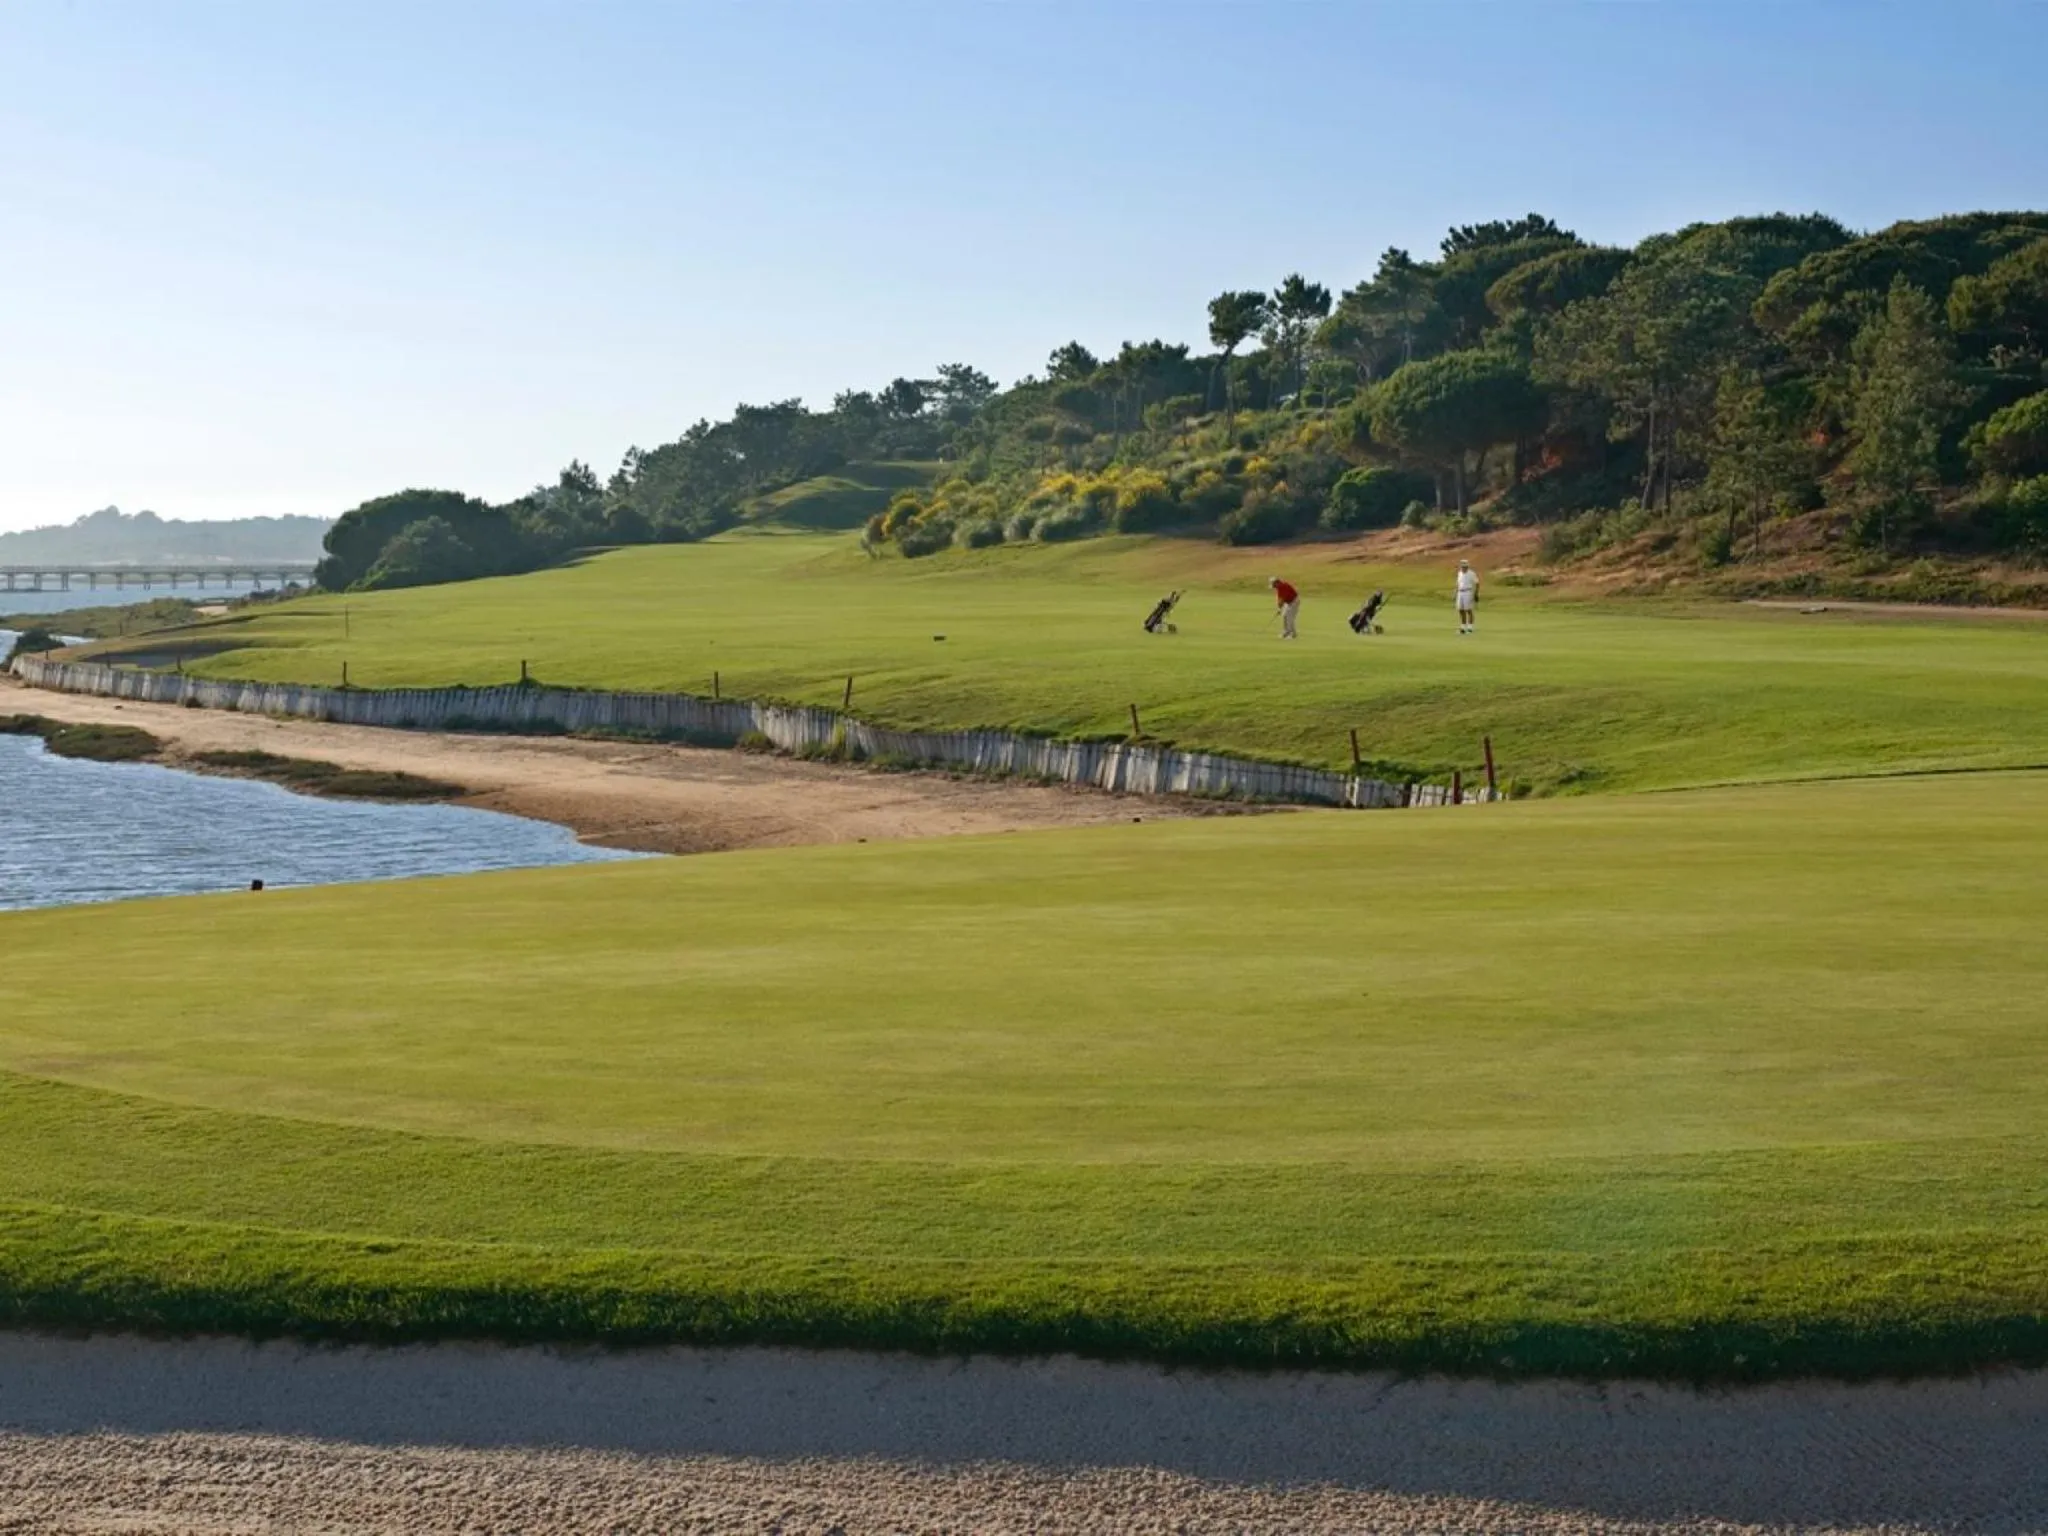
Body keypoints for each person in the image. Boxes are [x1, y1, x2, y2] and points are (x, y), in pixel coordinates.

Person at [1455, 559, 1479, 634]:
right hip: (1460, 592)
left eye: (1465, 566)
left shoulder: (1471, 573)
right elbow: (1458, 584)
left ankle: (1470, 628)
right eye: (1462, 566)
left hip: (1468, 592)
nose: (1463, 567)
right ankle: (1463, 627)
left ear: (1467, 566)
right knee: (1461, 610)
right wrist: (1455, 592)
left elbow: (1477, 583)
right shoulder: (1459, 573)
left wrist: (1476, 593)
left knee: (1468, 610)